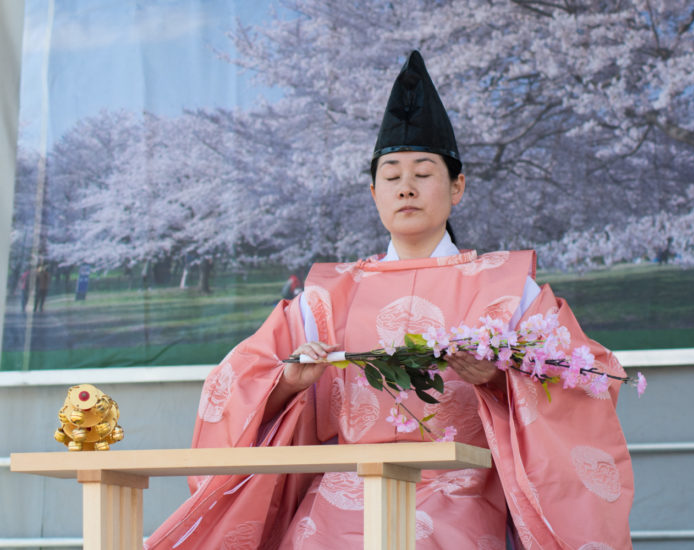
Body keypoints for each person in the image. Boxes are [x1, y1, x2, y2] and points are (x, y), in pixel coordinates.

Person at [146, 51, 633, 549]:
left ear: (457, 187)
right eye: (392, 175)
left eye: (423, 173)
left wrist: (498, 380)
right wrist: (288, 383)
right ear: (374, 191)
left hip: (460, 490)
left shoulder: (505, 288)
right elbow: (235, 383)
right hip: (343, 487)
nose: (406, 187)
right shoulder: (328, 295)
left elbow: (588, 375)